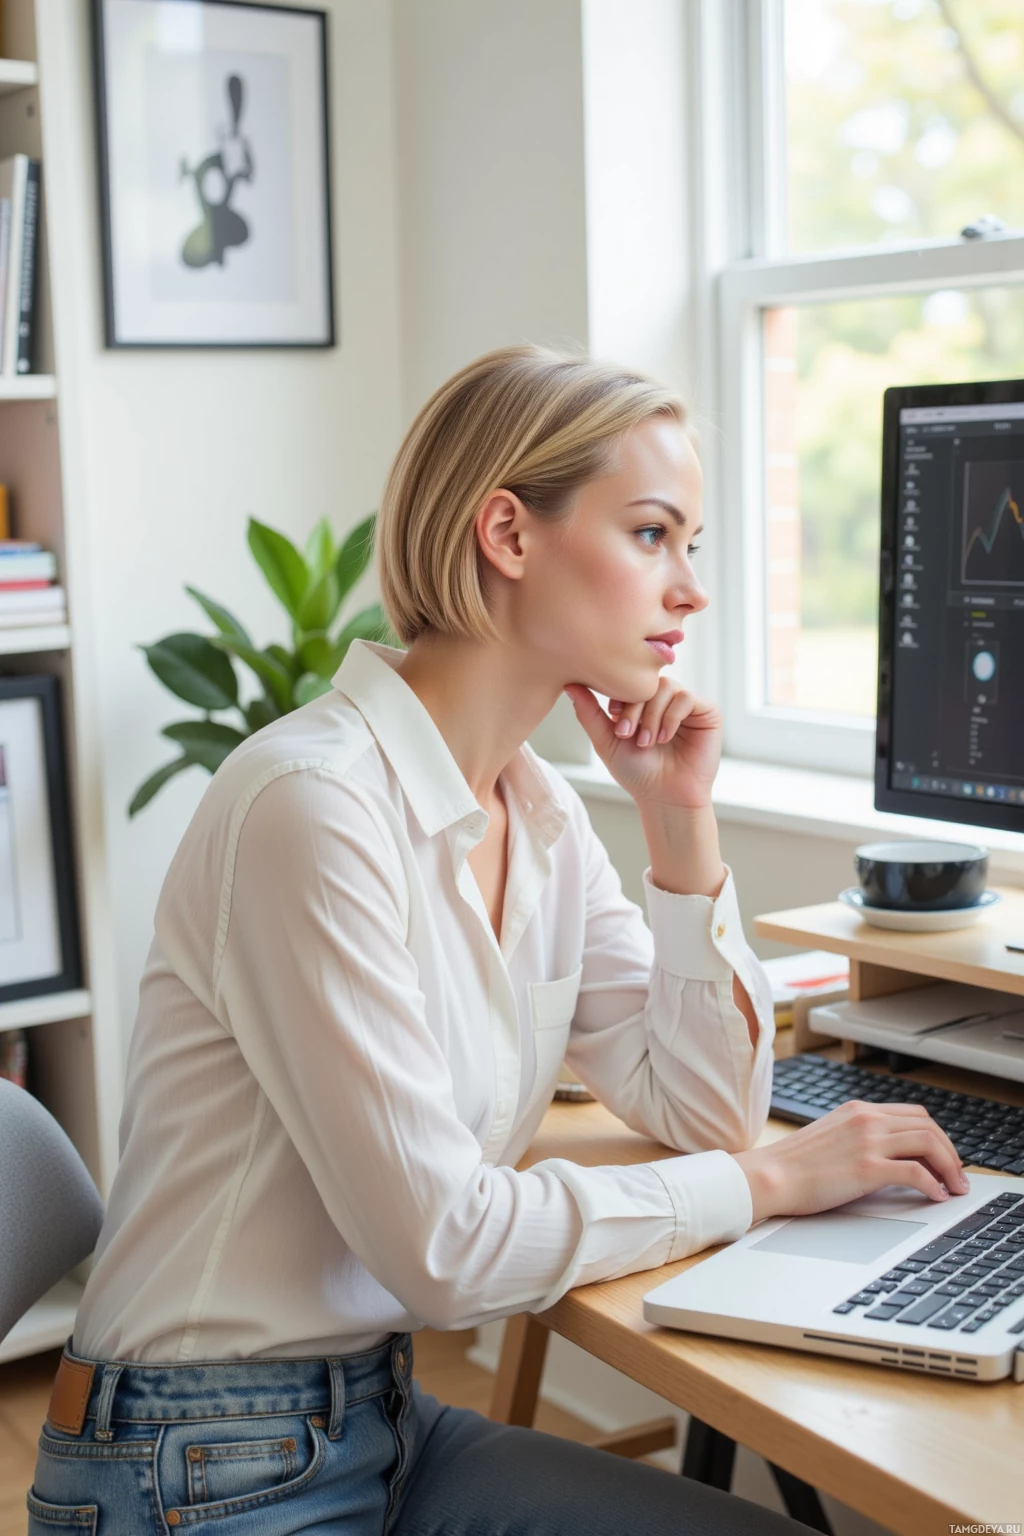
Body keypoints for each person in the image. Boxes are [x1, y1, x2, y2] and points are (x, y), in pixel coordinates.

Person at [29, 346, 967, 1536]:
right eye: (649, 535)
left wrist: (680, 820)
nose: (689, 588)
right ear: (508, 534)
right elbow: (443, 1249)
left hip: (378, 1419)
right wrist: (768, 1182)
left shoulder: (537, 808)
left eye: (691, 546)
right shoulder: (309, 806)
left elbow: (704, 1109)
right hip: (190, 1458)